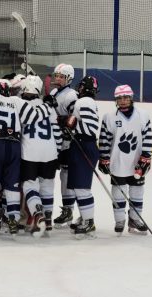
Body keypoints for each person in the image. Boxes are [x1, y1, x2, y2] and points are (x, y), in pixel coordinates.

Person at [0, 77, 56, 238]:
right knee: (15, 185)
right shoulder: (17, 102)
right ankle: (16, 219)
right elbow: (40, 119)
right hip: (37, 150)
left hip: (6, 146)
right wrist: (48, 105)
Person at [98, 84, 152, 235]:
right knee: (118, 192)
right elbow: (104, 140)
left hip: (137, 161)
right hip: (117, 161)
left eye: (126, 97)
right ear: (115, 100)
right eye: (119, 98)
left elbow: (148, 137)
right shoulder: (109, 117)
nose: (123, 101)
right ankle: (119, 220)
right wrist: (104, 157)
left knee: (137, 191)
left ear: (131, 98)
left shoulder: (143, 115)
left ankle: (135, 219)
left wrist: (146, 157)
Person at [20, 75, 62, 237]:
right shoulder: (49, 107)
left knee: (30, 186)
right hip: (49, 152)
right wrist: (57, 153)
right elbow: (57, 132)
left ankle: (38, 214)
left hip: (30, 152)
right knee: (47, 188)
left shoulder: (21, 105)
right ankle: (49, 221)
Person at [64, 76, 100, 239]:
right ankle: (84, 217)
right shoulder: (88, 102)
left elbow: (88, 128)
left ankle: (89, 221)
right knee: (78, 187)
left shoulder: (83, 102)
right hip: (81, 145)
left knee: (82, 188)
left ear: (84, 88)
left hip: (83, 145)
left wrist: (69, 124)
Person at [46, 63, 79, 228]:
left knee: (66, 175)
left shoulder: (72, 95)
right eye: (56, 75)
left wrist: (61, 120)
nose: (57, 78)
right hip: (53, 140)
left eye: (61, 76)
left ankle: (68, 210)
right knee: (53, 176)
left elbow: (74, 119)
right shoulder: (53, 92)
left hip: (67, 142)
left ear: (68, 79)